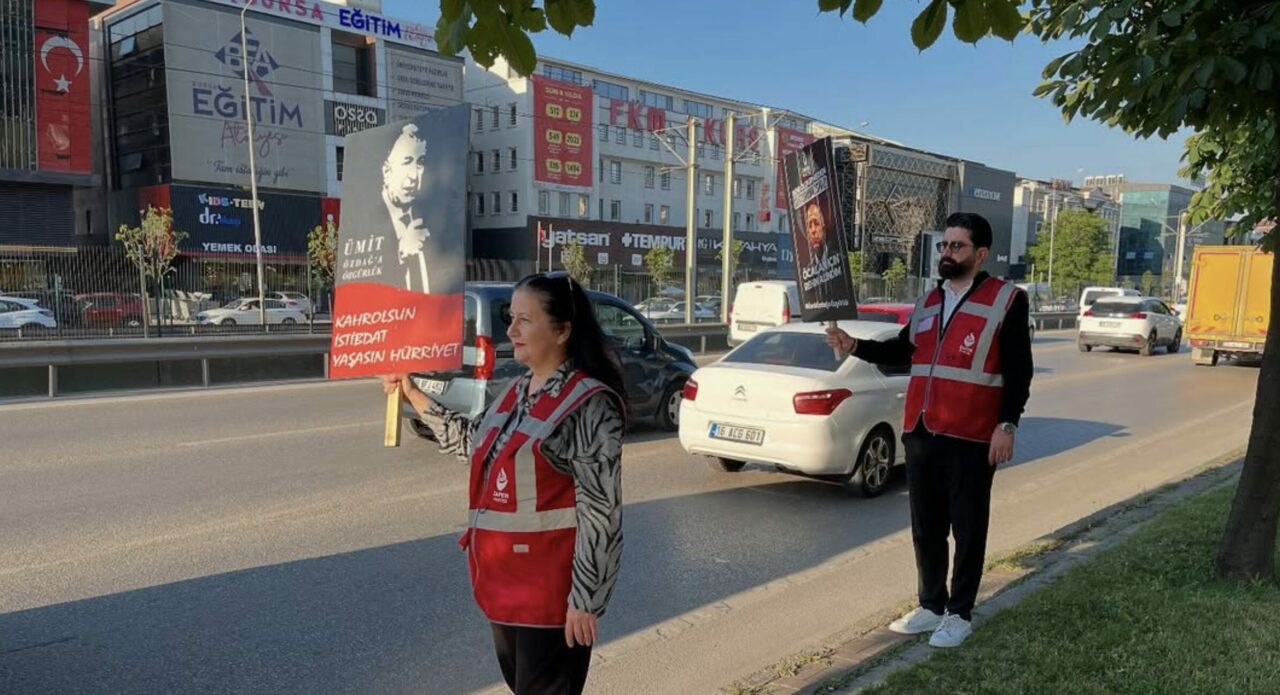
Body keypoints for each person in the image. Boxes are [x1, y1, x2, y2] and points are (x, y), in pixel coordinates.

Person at [382, 272, 625, 695]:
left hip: (551, 596)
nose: (511, 330)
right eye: (510, 318)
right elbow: (471, 443)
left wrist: (586, 600)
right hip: (504, 586)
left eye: (524, 320)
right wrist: (412, 394)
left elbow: (601, 512)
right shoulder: (515, 391)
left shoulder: (589, 403)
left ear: (562, 330)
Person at [825, 212, 1033, 649]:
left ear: (980, 253)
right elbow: (903, 350)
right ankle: (931, 605)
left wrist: (1007, 425)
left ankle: (959, 614)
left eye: (956, 246)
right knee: (926, 527)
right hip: (921, 430)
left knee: (969, 528)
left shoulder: (1007, 300)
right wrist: (854, 346)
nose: (946, 253)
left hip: (972, 435)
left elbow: (1018, 372)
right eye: (943, 245)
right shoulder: (930, 301)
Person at [381, 123, 431, 293]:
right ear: (387, 172)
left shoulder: (428, 219)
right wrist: (401, 254)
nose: (414, 176)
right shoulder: (362, 221)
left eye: (420, 163)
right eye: (406, 162)